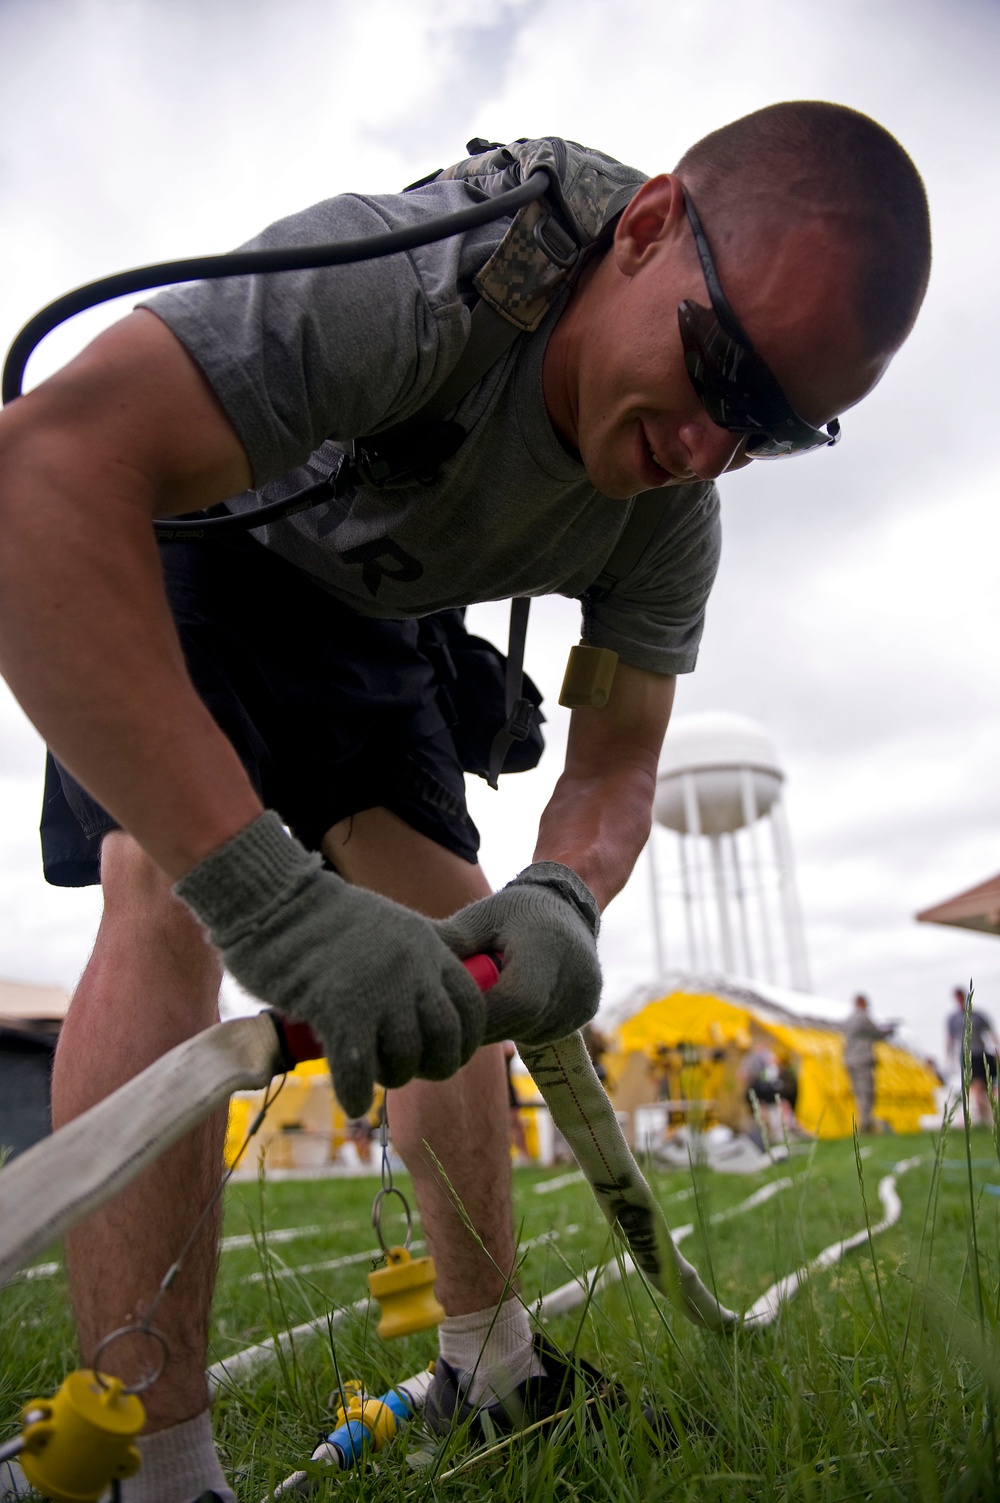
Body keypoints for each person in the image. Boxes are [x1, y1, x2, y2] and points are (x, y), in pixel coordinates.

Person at [0, 100, 930, 1500]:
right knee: (161, 888)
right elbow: (41, 468)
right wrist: (271, 899)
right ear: (650, 223)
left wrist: (564, 892)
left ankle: (491, 1365)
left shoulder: (676, 507)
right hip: (220, 537)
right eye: (715, 364)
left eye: (774, 428)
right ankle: (150, 1465)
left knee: (454, 923)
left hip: (389, 623)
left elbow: (617, 756)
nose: (706, 444)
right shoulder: (417, 282)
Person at [843, 994, 895, 1133]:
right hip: (862, 1060)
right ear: (862, 1003)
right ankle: (865, 1124)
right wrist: (889, 1031)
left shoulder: (847, 1020)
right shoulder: (863, 1017)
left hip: (849, 1060)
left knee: (859, 1093)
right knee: (866, 1091)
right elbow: (877, 1033)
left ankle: (865, 1121)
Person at [946, 987, 998, 1125]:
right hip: (966, 1055)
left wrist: (997, 1050)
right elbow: (950, 1040)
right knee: (977, 1085)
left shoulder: (978, 1016)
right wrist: (949, 1060)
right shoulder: (953, 1019)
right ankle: (983, 1117)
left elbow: (991, 1034)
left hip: (981, 1053)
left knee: (987, 1086)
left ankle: (987, 1116)